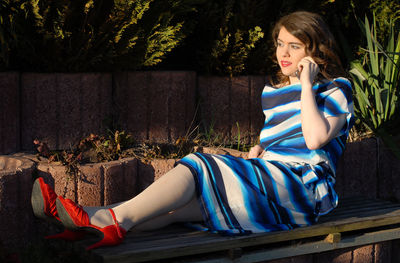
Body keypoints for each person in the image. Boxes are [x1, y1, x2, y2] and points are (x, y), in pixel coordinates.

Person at [31, 10, 354, 250]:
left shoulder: (336, 89)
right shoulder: (272, 91)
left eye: (294, 46)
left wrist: (308, 86)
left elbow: (313, 140)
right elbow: (278, 140)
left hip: (304, 189)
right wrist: (260, 151)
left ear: (314, 49)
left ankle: (103, 221)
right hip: (270, 179)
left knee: (200, 162)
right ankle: (94, 219)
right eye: (280, 44)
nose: (283, 54)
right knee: (179, 210)